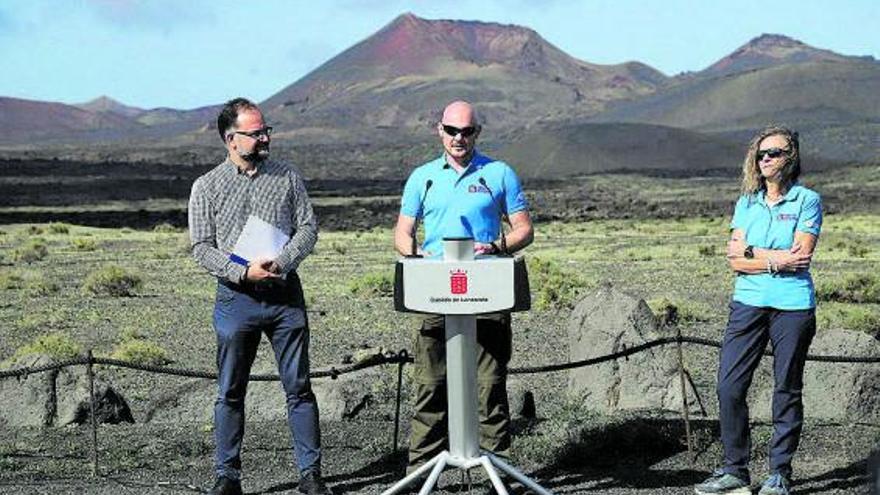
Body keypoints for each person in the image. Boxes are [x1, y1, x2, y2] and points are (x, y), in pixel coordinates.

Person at [188, 98, 333, 495]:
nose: (265, 137)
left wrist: (282, 261)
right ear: (231, 139)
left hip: (285, 295)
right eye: (256, 133)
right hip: (237, 299)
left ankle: (311, 476)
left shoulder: (287, 177)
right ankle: (227, 477)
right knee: (230, 389)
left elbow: (308, 228)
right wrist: (242, 272)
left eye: (266, 130)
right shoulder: (206, 187)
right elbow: (201, 246)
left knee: (299, 387)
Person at [393, 100, 534, 471]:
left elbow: (524, 229)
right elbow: (402, 232)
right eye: (452, 130)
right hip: (435, 290)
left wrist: (500, 246)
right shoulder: (422, 177)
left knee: (490, 384)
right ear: (439, 130)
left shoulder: (499, 173)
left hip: (488, 289)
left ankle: (498, 470)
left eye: (467, 131)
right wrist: (414, 253)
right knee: (430, 382)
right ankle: (422, 470)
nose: (459, 138)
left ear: (477, 133)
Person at [695, 126, 822, 495]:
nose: (765, 159)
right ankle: (735, 470)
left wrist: (754, 255)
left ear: (791, 157)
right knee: (729, 387)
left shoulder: (806, 200)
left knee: (786, 389)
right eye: (761, 154)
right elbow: (734, 259)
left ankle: (779, 473)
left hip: (793, 307)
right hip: (747, 304)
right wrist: (773, 259)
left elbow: (801, 258)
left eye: (774, 153)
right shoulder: (746, 203)